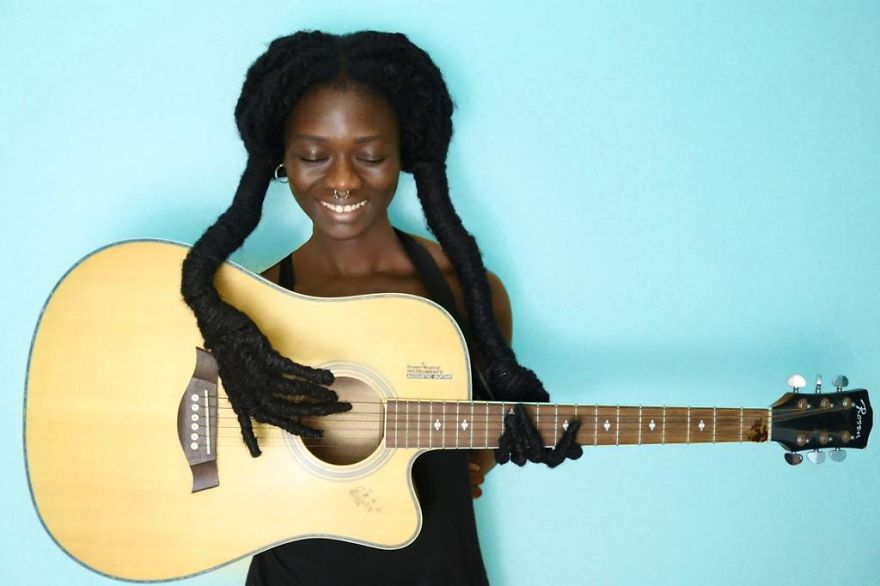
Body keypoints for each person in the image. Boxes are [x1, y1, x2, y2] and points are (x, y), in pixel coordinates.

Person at [180, 30, 582, 585]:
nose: (343, 179)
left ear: (406, 156)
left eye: (370, 155)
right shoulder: (251, 306)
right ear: (281, 161)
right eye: (314, 155)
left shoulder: (470, 294)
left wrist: (512, 438)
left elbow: (471, 463)